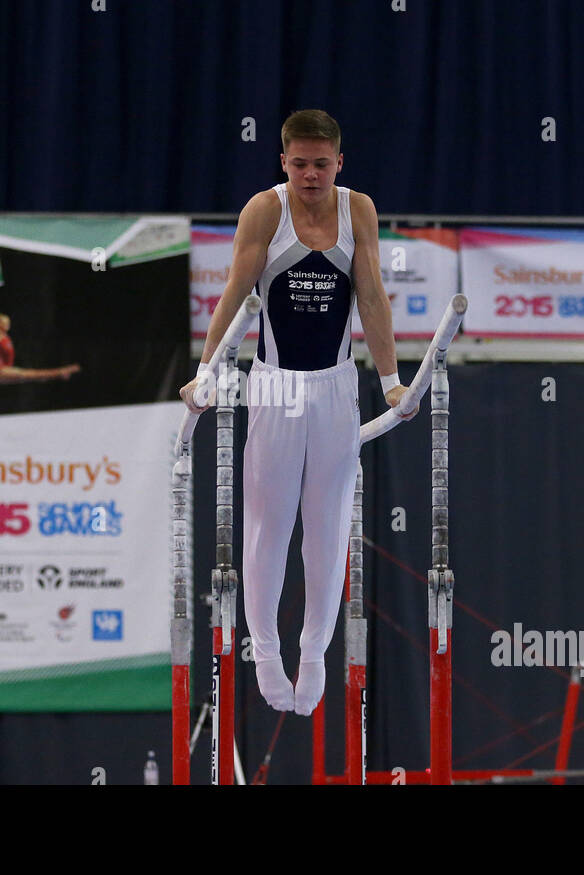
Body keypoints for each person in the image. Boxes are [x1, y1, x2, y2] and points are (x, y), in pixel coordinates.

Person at [179, 109, 417, 716]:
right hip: (275, 386)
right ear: (283, 162)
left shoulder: (357, 209)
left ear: (340, 162)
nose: (311, 175)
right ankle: (264, 648)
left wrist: (391, 383)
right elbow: (235, 294)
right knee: (269, 525)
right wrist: (207, 374)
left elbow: (370, 294)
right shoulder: (266, 210)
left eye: (322, 163)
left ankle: (314, 652)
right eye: (300, 163)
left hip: (337, 386)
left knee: (328, 525)